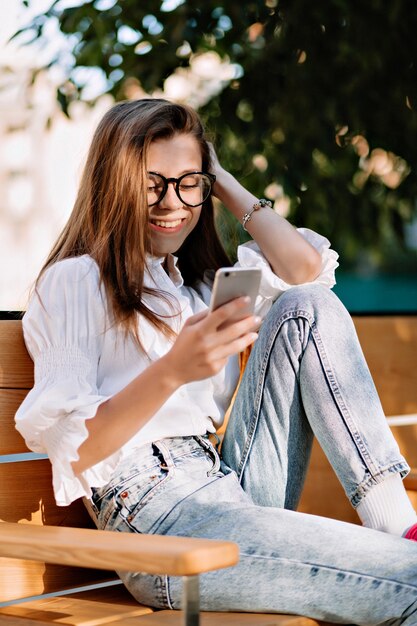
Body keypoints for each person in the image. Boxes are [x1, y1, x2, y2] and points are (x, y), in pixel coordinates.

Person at [15, 98, 417, 624]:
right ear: (113, 186)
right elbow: (77, 451)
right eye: (151, 182)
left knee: (305, 306)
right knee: (407, 580)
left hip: (230, 484)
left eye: (188, 183)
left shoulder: (197, 286)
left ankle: (397, 523)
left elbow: (306, 270)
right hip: (160, 524)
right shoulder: (75, 282)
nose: (171, 203)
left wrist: (221, 180)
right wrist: (173, 371)